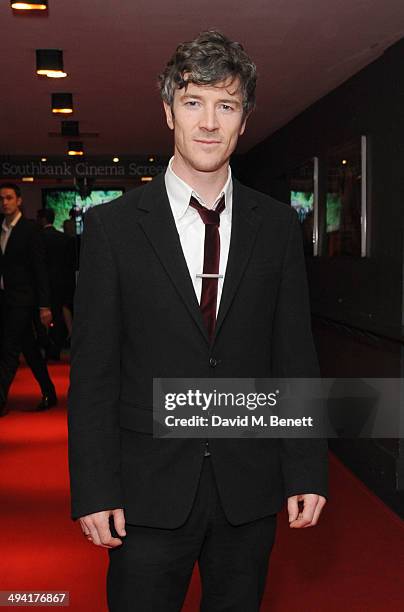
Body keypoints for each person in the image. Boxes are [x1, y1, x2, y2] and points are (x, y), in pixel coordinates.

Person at [68, 31, 328, 611]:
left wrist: (307, 467)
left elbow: (294, 357)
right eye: (193, 102)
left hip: (249, 490)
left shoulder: (279, 227)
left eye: (226, 105)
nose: (209, 122)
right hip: (144, 493)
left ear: (243, 120)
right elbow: (94, 373)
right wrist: (93, 487)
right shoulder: (113, 229)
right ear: (168, 112)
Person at [0, 183, 56, 416]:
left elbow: (39, 268)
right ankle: (49, 392)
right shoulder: (1, 228)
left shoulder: (30, 229)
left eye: (9, 198)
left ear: (19, 201)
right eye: (1, 198)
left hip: (23, 300)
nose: (4, 202)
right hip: (5, 299)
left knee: (8, 349)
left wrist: (44, 305)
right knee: (29, 349)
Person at [36, 208, 76, 359]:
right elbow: (70, 263)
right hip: (62, 282)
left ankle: (46, 344)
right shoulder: (64, 239)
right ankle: (57, 345)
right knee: (60, 314)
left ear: (42, 219)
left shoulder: (38, 238)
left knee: (44, 314)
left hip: (44, 282)